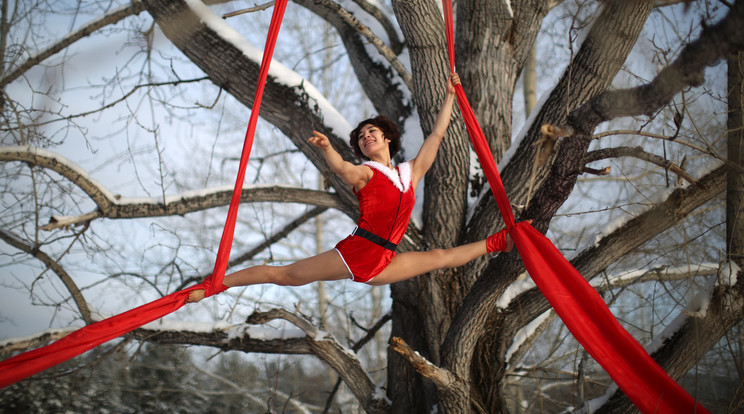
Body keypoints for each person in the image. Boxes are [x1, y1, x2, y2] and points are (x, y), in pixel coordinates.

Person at [187, 73, 517, 303]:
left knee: (440, 257)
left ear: (387, 138)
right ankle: (217, 285)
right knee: (285, 275)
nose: (365, 137)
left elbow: (436, 136)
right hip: (359, 251)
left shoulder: (409, 173)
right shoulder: (365, 173)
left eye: (371, 132)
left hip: (385, 258)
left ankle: (499, 241)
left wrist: (450, 96)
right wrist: (328, 148)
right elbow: (342, 169)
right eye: (360, 137)